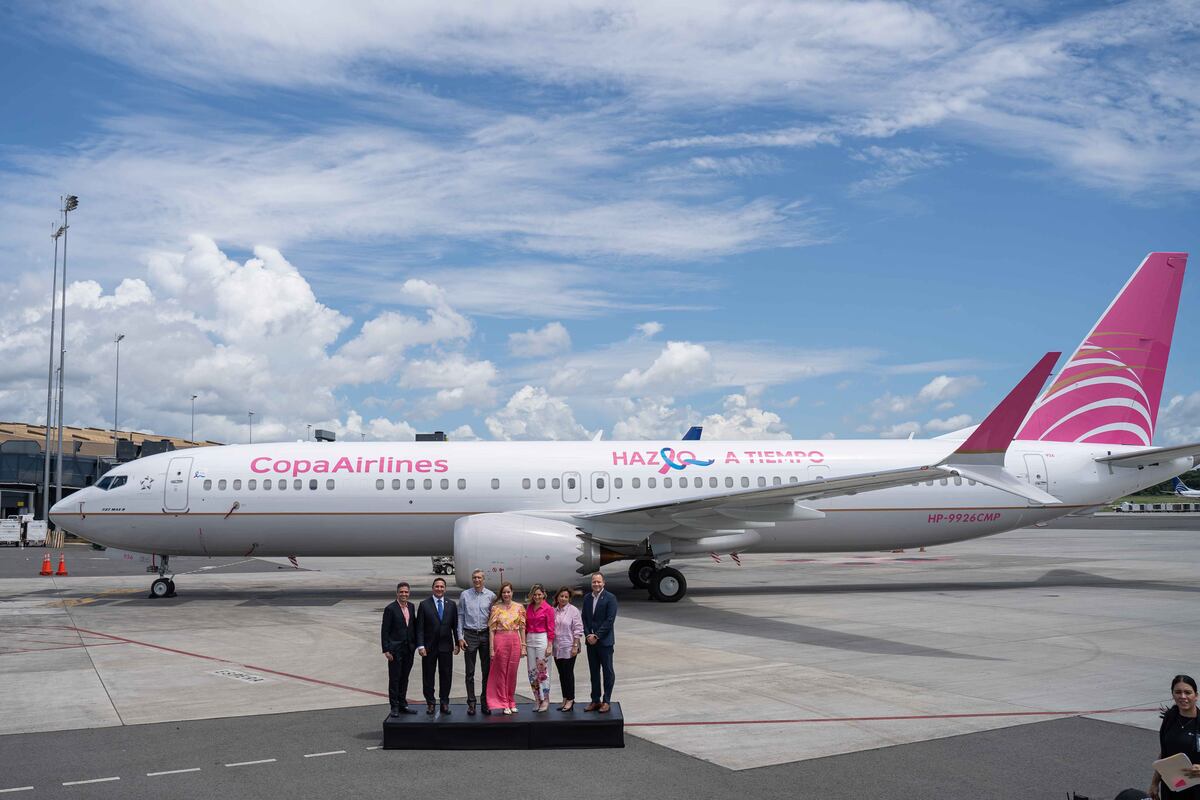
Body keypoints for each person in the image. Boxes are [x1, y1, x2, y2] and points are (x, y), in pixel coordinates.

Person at [1151, 674, 1200, 799]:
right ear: (1173, 694)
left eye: (1188, 692)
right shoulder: (1170, 717)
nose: (1183, 696)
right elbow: (1165, 753)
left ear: (1196, 696)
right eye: (1178, 692)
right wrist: (1155, 783)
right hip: (1172, 786)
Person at [416, 577, 460, 715]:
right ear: (433, 588)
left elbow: (455, 626)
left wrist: (457, 643)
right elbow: (420, 628)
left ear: (445, 589)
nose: (439, 589)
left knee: (446, 675)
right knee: (428, 676)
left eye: (442, 587)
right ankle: (430, 703)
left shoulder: (451, 604)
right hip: (429, 648)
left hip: (446, 647)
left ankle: (444, 702)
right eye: (437, 586)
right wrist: (421, 646)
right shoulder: (424, 605)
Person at [456, 569, 497, 716]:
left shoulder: (491, 596)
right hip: (470, 635)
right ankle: (471, 703)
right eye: (474, 577)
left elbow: (494, 618)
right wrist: (460, 636)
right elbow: (460, 616)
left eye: (479, 577)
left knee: (487, 671)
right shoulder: (465, 595)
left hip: (485, 635)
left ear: (484, 579)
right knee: (470, 672)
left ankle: (485, 702)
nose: (477, 580)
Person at [486, 581, 525, 715]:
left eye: (508, 592)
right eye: (504, 592)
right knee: (501, 673)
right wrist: (491, 649)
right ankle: (503, 702)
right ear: (501, 594)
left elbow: (522, 628)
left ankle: (511, 700)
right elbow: (491, 629)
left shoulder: (519, 607)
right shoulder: (496, 608)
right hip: (500, 639)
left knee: (512, 673)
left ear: (512, 592)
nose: (506, 594)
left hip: (515, 640)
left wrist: (523, 646)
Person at [581, 572, 617, 713]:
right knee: (594, 672)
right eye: (594, 582)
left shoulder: (610, 598)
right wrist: (588, 634)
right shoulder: (587, 598)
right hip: (591, 643)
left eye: (598, 582)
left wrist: (596, 636)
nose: (596, 584)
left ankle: (606, 700)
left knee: (608, 672)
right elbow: (584, 618)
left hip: (604, 642)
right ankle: (595, 700)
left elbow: (609, 620)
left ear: (604, 583)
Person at [380, 581, 417, 716]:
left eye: (406, 592)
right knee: (395, 678)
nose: (404, 594)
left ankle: (402, 704)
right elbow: (385, 631)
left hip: (408, 649)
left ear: (409, 593)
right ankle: (394, 706)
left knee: (405, 677)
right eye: (401, 592)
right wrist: (386, 649)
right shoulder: (390, 609)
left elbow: (413, 627)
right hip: (395, 650)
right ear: (397, 593)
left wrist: (416, 645)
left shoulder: (412, 607)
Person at [524, 584, 555, 712]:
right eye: (535, 594)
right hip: (530, 639)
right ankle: (537, 698)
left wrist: (549, 645)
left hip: (542, 638)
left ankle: (546, 699)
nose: (537, 597)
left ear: (544, 594)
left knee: (543, 671)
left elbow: (551, 628)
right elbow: (525, 626)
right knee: (532, 671)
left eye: (539, 594)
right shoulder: (529, 607)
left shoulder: (548, 608)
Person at [552, 586, 583, 712]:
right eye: (561, 596)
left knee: (568, 674)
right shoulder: (554, 611)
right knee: (561, 674)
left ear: (569, 598)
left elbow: (578, 629)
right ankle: (565, 697)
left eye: (566, 597)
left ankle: (571, 699)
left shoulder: (573, 610)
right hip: (557, 647)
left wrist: (575, 645)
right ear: (557, 597)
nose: (563, 598)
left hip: (569, 646)